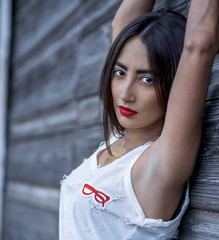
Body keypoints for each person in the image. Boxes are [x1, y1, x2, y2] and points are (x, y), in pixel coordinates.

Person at [59, 0, 219, 239]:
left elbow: (200, 44)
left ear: (174, 83)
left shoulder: (159, 165)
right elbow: (121, 23)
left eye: (147, 80)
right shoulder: (118, 136)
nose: (125, 95)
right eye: (120, 73)